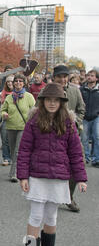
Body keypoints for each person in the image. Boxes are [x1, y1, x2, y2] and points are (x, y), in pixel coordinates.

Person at [17, 83, 87, 246]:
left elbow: (75, 152)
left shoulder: (68, 123)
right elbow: (24, 150)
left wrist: (80, 178)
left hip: (58, 178)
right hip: (37, 177)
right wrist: (23, 176)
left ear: (62, 102)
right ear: (43, 101)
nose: (52, 103)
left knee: (51, 217)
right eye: (49, 99)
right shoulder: (33, 121)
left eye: (56, 100)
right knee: (35, 217)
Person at [51, 65, 85, 212]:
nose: (63, 79)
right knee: (51, 166)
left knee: (77, 163)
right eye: (59, 76)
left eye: (65, 76)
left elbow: (81, 108)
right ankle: (50, 195)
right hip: (52, 135)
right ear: (54, 77)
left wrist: (76, 121)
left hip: (71, 134)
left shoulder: (74, 90)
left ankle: (69, 197)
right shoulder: (48, 91)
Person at [0, 74, 36, 182]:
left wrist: (32, 122)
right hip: (10, 126)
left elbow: (34, 111)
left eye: (20, 81)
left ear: (24, 83)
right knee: (12, 150)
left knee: (17, 151)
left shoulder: (29, 96)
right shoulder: (9, 97)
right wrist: (4, 114)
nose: (18, 83)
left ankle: (14, 173)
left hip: (23, 127)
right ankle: (21, 168)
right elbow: (3, 110)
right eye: (16, 81)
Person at [0, 75, 14, 166]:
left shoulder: (19, 94)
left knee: (13, 141)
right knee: (5, 140)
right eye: (8, 82)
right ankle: (6, 158)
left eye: (11, 81)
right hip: (3, 119)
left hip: (15, 119)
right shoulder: (2, 94)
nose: (9, 83)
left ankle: (13, 157)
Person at [80, 69, 99, 167]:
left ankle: (96, 159)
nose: (89, 77)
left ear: (96, 78)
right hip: (85, 117)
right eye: (88, 75)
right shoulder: (82, 89)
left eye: (92, 75)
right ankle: (86, 158)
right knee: (84, 138)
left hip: (96, 117)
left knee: (97, 137)